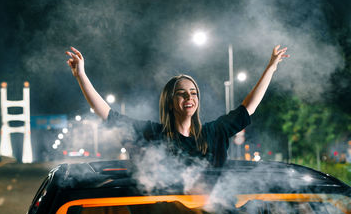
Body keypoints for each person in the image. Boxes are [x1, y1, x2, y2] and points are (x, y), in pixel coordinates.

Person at [66, 45, 289, 166]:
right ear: (170, 102)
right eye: (181, 94)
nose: (189, 97)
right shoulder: (153, 134)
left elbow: (248, 107)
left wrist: (270, 68)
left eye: (193, 93)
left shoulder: (214, 132)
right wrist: (81, 76)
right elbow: (108, 115)